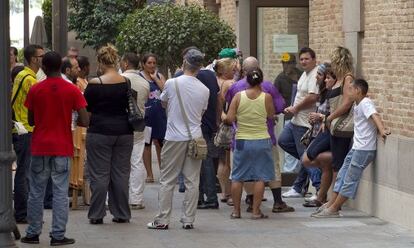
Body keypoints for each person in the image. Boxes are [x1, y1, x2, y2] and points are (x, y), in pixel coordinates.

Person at [20, 51, 89, 246]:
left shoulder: (36, 89)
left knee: (36, 191)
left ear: (43, 67)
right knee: (60, 192)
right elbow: (84, 119)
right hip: (62, 146)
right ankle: (58, 235)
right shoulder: (72, 90)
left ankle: (32, 233)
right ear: (61, 66)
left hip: (40, 145)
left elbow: (32, 120)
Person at [147, 48, 209, 230]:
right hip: (195, 137)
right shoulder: (204, 90)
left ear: (184, 64)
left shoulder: (172, 83)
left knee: (167, 179)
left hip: (174, 136)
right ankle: (188, 219)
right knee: (192, 180)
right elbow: (202, 113)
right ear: (199, 67)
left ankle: (163, 219)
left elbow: (164, 103)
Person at [313, 79, 390, 218]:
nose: (347, 92)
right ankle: (331, 203)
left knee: (350, 179)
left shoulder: (366, 103)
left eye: (350, 89)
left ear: (358, 91)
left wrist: (382, 130)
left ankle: (334, 209)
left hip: (364, 149)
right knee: (342, 175)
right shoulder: (357, 104)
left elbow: (375, 115)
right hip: (356, 147)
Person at [226, 57, 293, 213]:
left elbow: (229, 113)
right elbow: (277, 108)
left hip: (241, 138)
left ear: (244, 70)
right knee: (266, 172)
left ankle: (240, 208)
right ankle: (271, 204)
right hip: (264, 137)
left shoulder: (236, 90)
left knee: (238, 175)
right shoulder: (268, 89)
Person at [84, 44, 134, 224]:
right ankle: (121, 213)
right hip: (124, 132)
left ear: (100, 61)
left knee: (99, 174)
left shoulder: (94, 84)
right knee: (121, 174)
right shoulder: (125, 82)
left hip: (99, 132)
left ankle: (97, 214)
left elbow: (87, 111)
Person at [223, 68, 275, 219]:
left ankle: (236, 211)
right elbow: (271, 115)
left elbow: (230, 118)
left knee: (238, 177)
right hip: (261, 140)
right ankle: (256, 212)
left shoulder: (239, 96)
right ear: (261, 80)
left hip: (242, 140)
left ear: (247, 80)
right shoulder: (267, 97)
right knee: (260, 177)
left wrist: (224, 116)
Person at [175, 47, 221, 209]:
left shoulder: (179, 77)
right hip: (207, 123)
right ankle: (202, 196)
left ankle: (208, 197)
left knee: (198, 162)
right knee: (203, 161)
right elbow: (218, 98)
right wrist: (217, 119)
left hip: (189, 126)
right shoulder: (210, 75)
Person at [278, 47, 322, 198]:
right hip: (295, 120)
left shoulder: (315, 74)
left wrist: (295, 108)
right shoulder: (304, 73)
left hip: (304, 123)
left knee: (306, 156)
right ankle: (299, 187)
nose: (303, 61)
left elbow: (313, 97)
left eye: (307, 59)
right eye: (302, 59)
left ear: (314, 60)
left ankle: (318, 188)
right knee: (283, 141)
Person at [12, 44, 44, 224]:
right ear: (33, 59)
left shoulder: (23, 75)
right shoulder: (30, 79)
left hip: (21, 129)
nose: (43, 58)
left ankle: (23, 211)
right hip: (26, 130)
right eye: (41, 55)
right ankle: (22, 213)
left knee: (25, 172)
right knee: (25, 173)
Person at [302, 63, 336, 207]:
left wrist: (321, 117)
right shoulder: (323, 92)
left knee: (310, 158)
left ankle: (322, 196)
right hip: (318, 132)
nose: (318, 78)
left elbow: (335, 112)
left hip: (327, 133)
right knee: (323, 165)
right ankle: (321, 196)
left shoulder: (332, 93)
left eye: (322, 76)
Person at [321, 47, 355, 188]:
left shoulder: (348, 78)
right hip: (334, 125)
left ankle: (334, 201)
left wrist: (329, 117)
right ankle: (331, 199)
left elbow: (347, 103)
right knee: (335, 163)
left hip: (341, 125)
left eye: (333, 61)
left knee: (337, 165)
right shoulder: (339, 78)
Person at [120, 52, 150, 209]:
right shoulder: (144, 83)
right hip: (138, 126)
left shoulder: (118, 80)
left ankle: (114, 197)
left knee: (118, 162)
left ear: (125, 63)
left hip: (120, 125)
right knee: (137, 161)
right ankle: (136, 199)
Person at [139, 53, 167, 183]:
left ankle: (164, 173)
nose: (152, 65)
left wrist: (156, 79)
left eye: (154, 63)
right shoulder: (139, 77)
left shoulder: (160, 76)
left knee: (160, 143)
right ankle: (149, 174)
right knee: (147, 144)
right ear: (143, 64)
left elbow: (166, 91)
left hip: (160, 115)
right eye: (149, 63)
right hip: (147, 116)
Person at [274, 53, 303, 173]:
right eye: (283, 63)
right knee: (288, 143)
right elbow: (274, 96)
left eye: (288, 63)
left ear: (294, 64)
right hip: (289, 116)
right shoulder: (280, 79)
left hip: (303, 115)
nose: (285, 66)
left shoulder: (302, 75)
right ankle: (289, 173)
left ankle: (301, 170)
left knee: (302, 144)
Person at [214, 58, 238, 204]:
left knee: (223, 160)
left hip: (221, 123)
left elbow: (219, 105)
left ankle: (224, 191)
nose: (235, 71)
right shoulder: (230, 83)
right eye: (233, 68)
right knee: (229, 161)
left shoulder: (216, 81)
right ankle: (228, 192)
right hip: (230, 123)